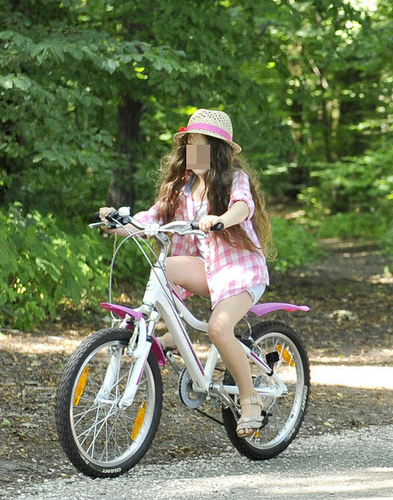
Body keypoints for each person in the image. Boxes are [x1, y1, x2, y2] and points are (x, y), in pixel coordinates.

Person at [98, 108, 276, 438]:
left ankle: (250, 400)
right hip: (209, 269)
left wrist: (221, 219)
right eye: (190, 143)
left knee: (219, 328)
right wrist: (119, 224)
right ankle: (171, 336)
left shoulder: (234, 180)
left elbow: (243, 206)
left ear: (218, 150)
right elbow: (152, 218)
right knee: (164, 267)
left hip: (240, 271)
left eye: (202, 144)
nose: (193, 151)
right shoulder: (182, 186)